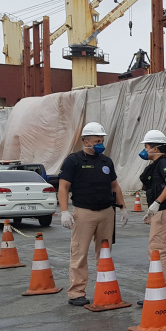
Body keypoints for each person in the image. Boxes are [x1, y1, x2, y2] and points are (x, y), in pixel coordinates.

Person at [57, 122, 128, 306]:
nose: (100, 144)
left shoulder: (106, 162)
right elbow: (63, 187)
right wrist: (64, 212)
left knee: (104, 253)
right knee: (79, 253)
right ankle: (77, 293)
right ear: (86, 141)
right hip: (84, 213)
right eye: (97, 141)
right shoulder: (73, 161)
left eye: (102, 141)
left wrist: (123, 207)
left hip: (106, 212)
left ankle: (105, 289)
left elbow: (114, 185)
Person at [139, 130, 166, 302]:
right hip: (163, 212)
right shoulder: (155, 166)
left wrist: (157, 202)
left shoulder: (164, 163)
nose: (144, 150)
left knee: (156, 251)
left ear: (155, 148)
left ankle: (158, 292)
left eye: (146, 146)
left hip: (164, 211)